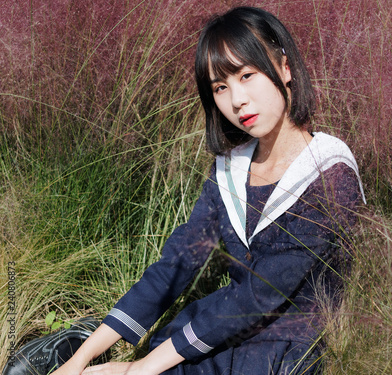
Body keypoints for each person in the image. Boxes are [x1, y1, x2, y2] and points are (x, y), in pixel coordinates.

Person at [51, 6, 365, 375]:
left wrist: (140, 368)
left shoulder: (329, 173)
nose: (237, 101)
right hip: (222, 336)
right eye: (220, 87)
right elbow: (178, 262)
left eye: (247, 75)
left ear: (285, 68)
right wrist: (81, 358)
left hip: (291, 353)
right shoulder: (231, 170)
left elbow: (258, 296)